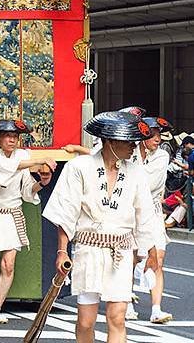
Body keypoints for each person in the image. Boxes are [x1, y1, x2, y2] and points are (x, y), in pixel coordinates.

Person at [43, 111, 158, 343]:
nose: (133, 147)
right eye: (128, 142)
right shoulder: (80, 166)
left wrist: (149, 252)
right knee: (86, 321)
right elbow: (66, 211)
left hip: (121, 252)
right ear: (110, 141)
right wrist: (62, 251)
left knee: (117, 317)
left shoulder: (136, 172)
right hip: (89, 249)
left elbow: (144, 214)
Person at [0, 119, 56, 324]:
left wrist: (41, 183)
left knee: (8, 266)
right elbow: (6, 171)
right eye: (7, 136)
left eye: (15, 136)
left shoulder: (23, 157)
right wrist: (39, 160)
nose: (12, 140)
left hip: (12, 215)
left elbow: (26, 191)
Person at [127, 116, 173, 323]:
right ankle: (126, 302)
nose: (157, 139)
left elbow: (146, 183)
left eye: (159, 135)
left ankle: (156, 309)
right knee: (130, 258)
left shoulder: (162, 156)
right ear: (142, 135)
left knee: (158, 260)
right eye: (152, 134)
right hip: (130, 212)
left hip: (152, 213)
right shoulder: (129, 153)